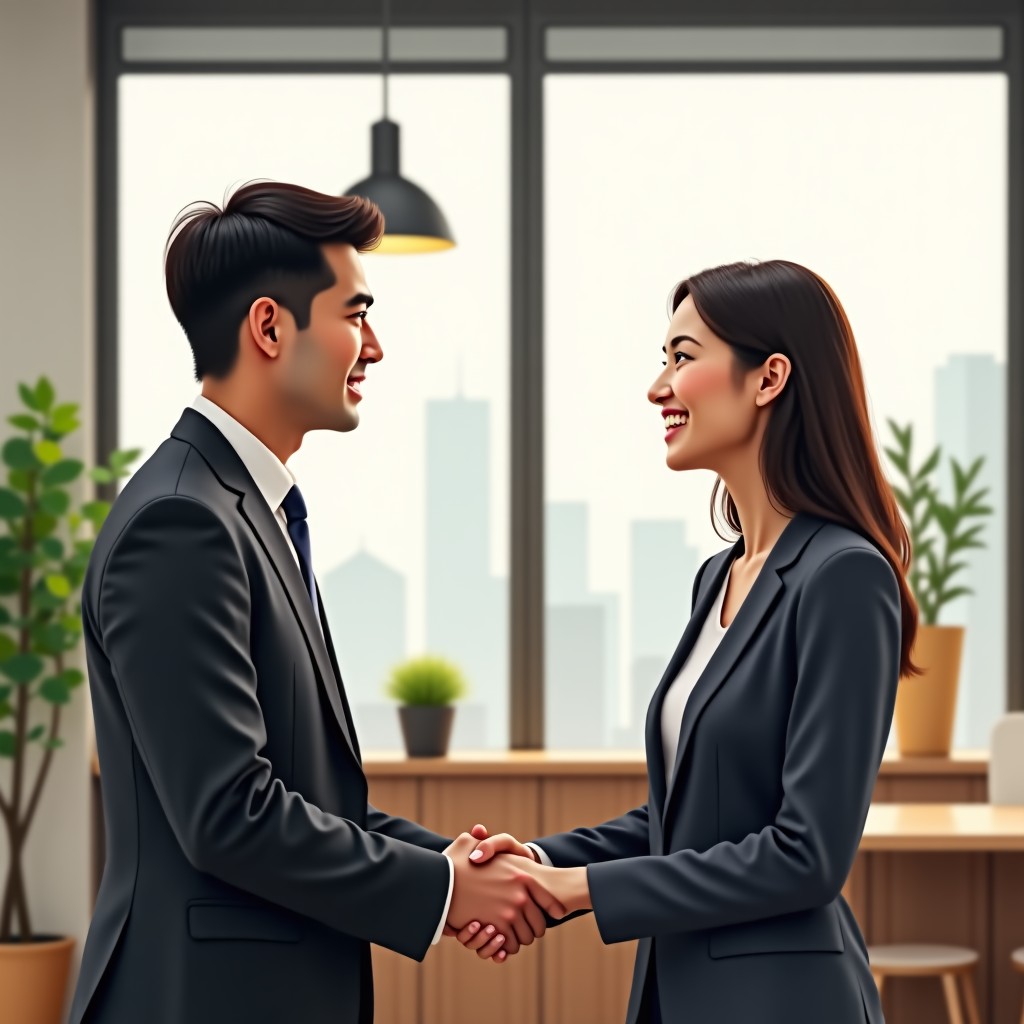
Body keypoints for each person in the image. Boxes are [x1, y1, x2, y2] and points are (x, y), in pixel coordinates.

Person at [69, 180, 563, 1024]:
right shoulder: (183, 521)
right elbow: (230, 813)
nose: (373, 347)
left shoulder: (243, 509)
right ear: (269, 327)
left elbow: (311, 796)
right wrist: (450, 888)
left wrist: (446, 861)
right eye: (356, 313)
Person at [454, 259, 920, 1023]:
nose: (657, 387)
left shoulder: (842, 576)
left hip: (781, 1002)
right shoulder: (719, 577)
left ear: (768, 378)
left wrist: (582, 892)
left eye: (682, 357)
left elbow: (806, 855)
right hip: (677, 998)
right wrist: (545, 863)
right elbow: (689, 818)